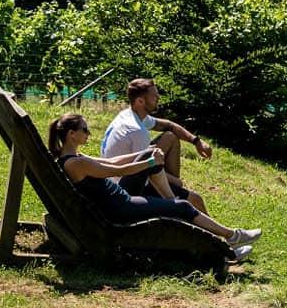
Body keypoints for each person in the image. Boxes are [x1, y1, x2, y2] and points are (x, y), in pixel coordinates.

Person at [47, 112, 260, 256]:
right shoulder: (76, 164)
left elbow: (112, 161)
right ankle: (231, 240)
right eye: (85, 129)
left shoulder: (74, 158)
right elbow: (117, 170)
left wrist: (145, 155)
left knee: (156, 167)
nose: (89, 133)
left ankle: (172, 202)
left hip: (120, 198)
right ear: (71, 134)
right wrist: (149, 162)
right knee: (184, 207)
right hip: (121, 208)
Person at [102, 78, 214, 215]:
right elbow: (145, 170)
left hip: (120, 176)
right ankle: (212, 236)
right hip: (125, 188)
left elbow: (169, 126)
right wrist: (176, 182)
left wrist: (196, 142)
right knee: (195, 200)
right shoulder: (137, 131)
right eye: (154, 96)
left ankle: (173, 194)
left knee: (170, 137)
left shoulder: (130, 115)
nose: (158, 98)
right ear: (140, 101)